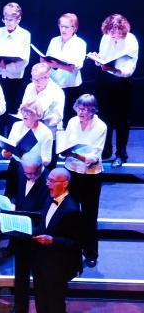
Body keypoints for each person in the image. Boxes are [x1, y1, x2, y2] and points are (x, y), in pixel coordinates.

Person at [27, 168, 82, 313]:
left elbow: (75, 243)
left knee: (57, 309)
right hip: (42, 263)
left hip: (58, 267)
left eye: (52, 181)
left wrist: (53, 240)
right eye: (48, 180)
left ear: (65, 183)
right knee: (45, 307)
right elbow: (43, 225)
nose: (48, 184)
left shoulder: (72, 209)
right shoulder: (48, 200)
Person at [60, 94, 107, 268]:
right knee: (71, 212)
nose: (81, 112)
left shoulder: (100, 126)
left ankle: (90, 253)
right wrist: (66, 151)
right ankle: (71, 250)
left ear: (93, 110)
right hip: (72, 171)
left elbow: (93, 156)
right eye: (79, 108)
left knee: (89, 216)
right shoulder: (72, 122)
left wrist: (74, 154)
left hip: (91, 176)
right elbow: (67, 143)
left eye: (86, 109)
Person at [2, 154, 48, 313]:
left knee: (40, 280)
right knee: (20, 275)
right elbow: (18, 196)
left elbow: (47, 214)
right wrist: (13, 206)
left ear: (40, 167)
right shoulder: (22, 173)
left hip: (38, 237)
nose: (28, 176)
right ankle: (20, 308)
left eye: (31, 173)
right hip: (21, 235)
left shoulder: (49, 181)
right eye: (26, 173)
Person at [90, 14, 138, 166]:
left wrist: (113, 69)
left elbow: (129, 69)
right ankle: (106, 150)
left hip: (122, 82)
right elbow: (104, 60)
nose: (112, 35)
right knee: (104, 117)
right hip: (105, 81)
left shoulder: (131, 40)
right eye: (110, 31)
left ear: (122, 29)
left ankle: (121, 154)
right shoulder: (106, 37)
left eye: (115, 31)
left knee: (121, 120)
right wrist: (97, 59)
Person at [0, 2, 31, 134]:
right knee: (0, 107)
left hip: (15, 78)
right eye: (5, 19)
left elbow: (24, 59)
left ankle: (12, 140)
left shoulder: (24, 34)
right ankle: (0, 136)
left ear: (18, 19)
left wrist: (7, 67)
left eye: (11, 19)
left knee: (13, 109)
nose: (7, 22)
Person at [3, 101, 53, 200]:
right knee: (9, 197)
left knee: (26, 199)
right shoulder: (16, 125)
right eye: (23, 111)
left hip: (33, 171)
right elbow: (9, 146)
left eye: (29, 112)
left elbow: (47, 160)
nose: (25, 114)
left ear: (38, 115)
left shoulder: (46, 132)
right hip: (15, 165)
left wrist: (33, 159)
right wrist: (6, 152)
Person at [45, 13, 87, 116]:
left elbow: (75, 67)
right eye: (61, 26)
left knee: (68, 116)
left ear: (74, 28)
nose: (63, 30)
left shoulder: (80, 43)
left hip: (70, 86)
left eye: (66, 27)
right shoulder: (54, 41)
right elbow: (47, 59)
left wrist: (58, 65)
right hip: (53, 84)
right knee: (52, 115)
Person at [19, 62, 65, 135]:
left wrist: (39, 120)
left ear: (47, 77)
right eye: (34, 79)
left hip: (47, 132)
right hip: (28, 129)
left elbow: (57, 118)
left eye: (39, 79)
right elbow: (24, 106)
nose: (36, 82)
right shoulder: (30, 87)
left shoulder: (57, 91)